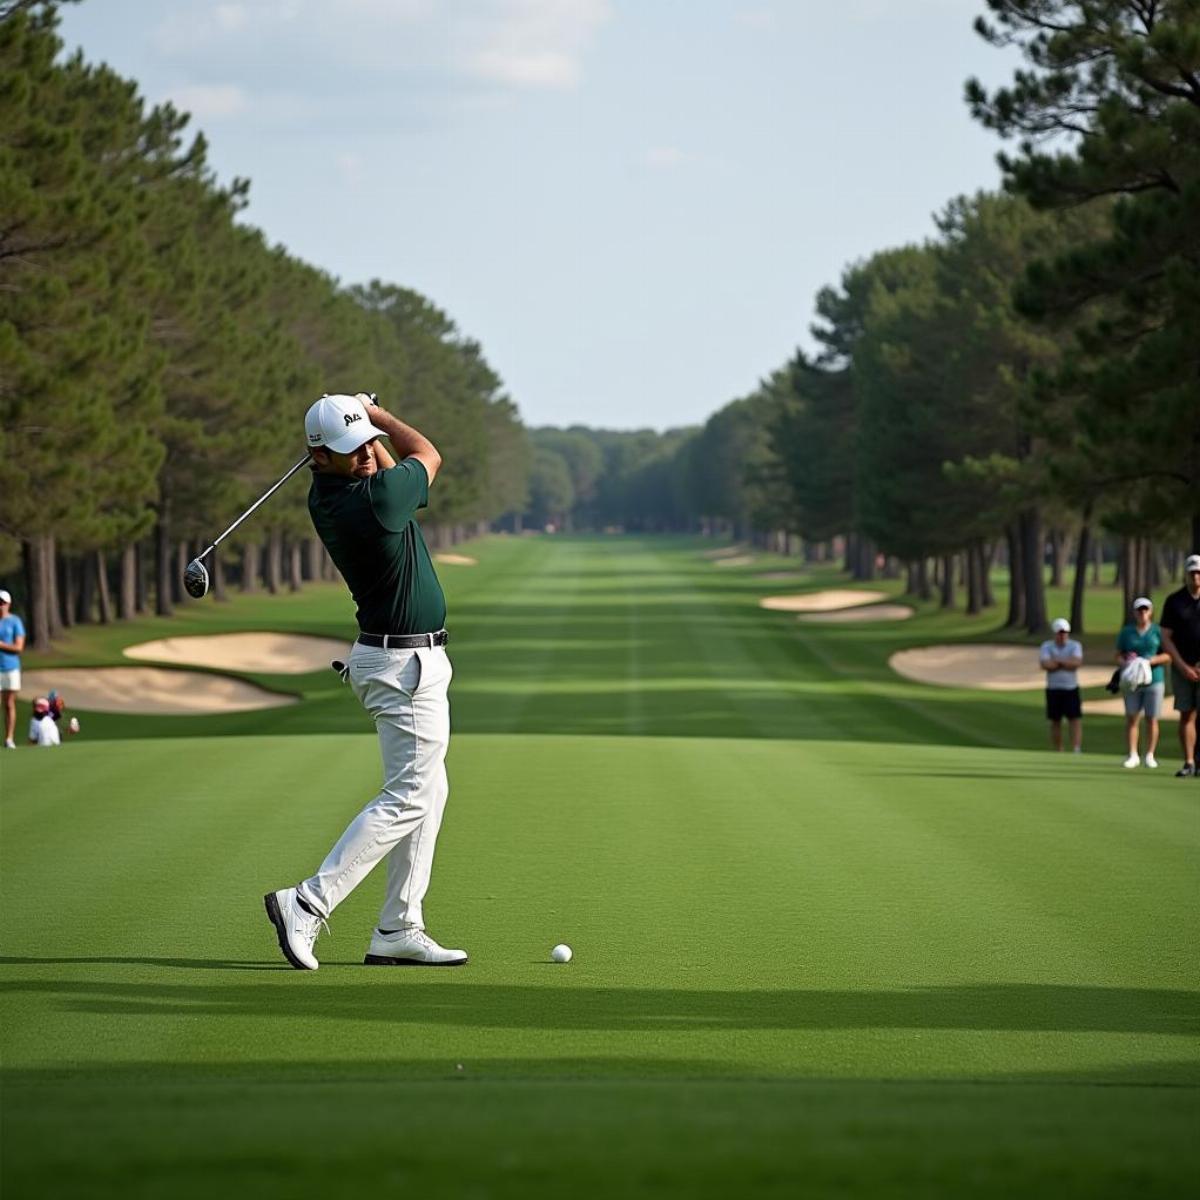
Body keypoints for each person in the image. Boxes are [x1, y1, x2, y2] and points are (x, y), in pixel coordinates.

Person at [264, 393, 466, 970]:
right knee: (409, 794)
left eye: (364, 450)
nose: (365, 458)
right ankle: (307, 902)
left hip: (404, 662)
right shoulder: (376, 500)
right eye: (350, 452)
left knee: (430, 791)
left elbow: (379, 458)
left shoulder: (330, 492)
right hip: (403, 668)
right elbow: (426, 452)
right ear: (319, 455)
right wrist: (375, 418)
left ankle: (398, 927)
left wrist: (357, 426)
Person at [1115, 597, 1171, 769]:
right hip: (1132, 681)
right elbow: (1118, 655)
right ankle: (1133, 754)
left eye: (1145, 609)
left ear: (1151, 612)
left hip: (1154, 680)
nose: (1142, 613)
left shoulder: (1157, 631)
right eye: (1139, 610)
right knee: (1132, 717)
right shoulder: (1127, 632)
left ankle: (1150, 755)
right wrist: (1127, 663)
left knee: (1151, 718)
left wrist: (1150, 660)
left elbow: (1168, 655)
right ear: (1134, 612)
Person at [1159, 553, 1200, 778]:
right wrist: (1182, 665)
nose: (1196, 576)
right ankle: (1189, 762)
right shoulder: (1175, 601)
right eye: (1192, 572)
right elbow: (1165, 637)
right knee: (1187, 714)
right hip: (1182, 666)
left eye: (1199, 572)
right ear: (1186, 574)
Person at [1039, 617, 1083, 753]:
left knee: (1074, 719)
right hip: (1053, 689)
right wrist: (1066, 663)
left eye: (1065, 632)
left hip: (1071, 688)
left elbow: (1076, 663)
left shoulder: (1075, 645)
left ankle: (1076, 749)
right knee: (1055, 721)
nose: (1063, 635)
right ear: (1055, 633)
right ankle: (1059, 750)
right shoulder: (1046, 646)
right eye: (1060, 632)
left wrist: (1057, 662)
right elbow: (1046, 664)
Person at [0, 589, 26, 750]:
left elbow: (19, 647)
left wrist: (1, 645)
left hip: (11, 668)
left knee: (9, 704)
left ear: (8, 604)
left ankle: (9, 738)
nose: (0, 605)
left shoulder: (15, 621)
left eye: (2, 602)